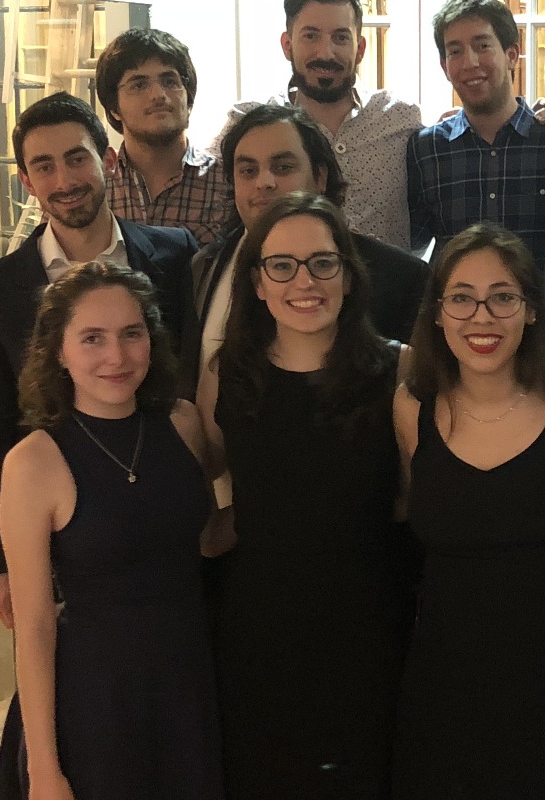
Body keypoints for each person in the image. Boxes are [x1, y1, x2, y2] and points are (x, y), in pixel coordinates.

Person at [391, 223, 545, 799]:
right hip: (448, 680)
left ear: (532, 309)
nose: (482, 317)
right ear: (438, 314)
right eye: (461, 298)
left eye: (502, 297)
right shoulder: (411, 406)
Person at [197, 192, 414, 800]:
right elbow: (205, 483)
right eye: (282, 265)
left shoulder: (399, 371)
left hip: (370, 627)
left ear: (348, 273)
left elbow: (414, 501)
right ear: (257, 283)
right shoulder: (225, 375)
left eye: (322, 262)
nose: (304, 281)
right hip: (258, 632)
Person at [0, 261, 222, 800]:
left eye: (132, 333)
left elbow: (206, 539)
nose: (117, 357)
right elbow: (34, 627)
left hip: (189, 682)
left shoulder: (183, 423)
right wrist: (45, 769)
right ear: (58, 351)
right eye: (92, 338)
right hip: (94, 701)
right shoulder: (33, 462)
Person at [188, 102, 427, 393]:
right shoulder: (204, 266)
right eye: (248, 171)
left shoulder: (400, 278)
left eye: (283, 167)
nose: (264, 182)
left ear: (320, 178)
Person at [217, 0, 422, 248]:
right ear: (287, 45)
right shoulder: (248, 124)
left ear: (360, 48)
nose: (325, 53)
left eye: (341, 38)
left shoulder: (401, 118)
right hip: (284, 274)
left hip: (389, 276)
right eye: (311, 36)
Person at [407, 0, 545, 302]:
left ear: (512, 55)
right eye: (455, 51)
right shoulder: (427, 149)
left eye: (482, 46)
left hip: (544, 325)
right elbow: (412, 240)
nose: (470, 62)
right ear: (444, 66)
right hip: (457, 322)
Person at [96, 27, 234, 244]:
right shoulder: (94, 187)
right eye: (139, 85)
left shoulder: (227, 182)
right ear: (114, 107)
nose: (158, 95)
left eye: (170, 82)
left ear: (188, 97)